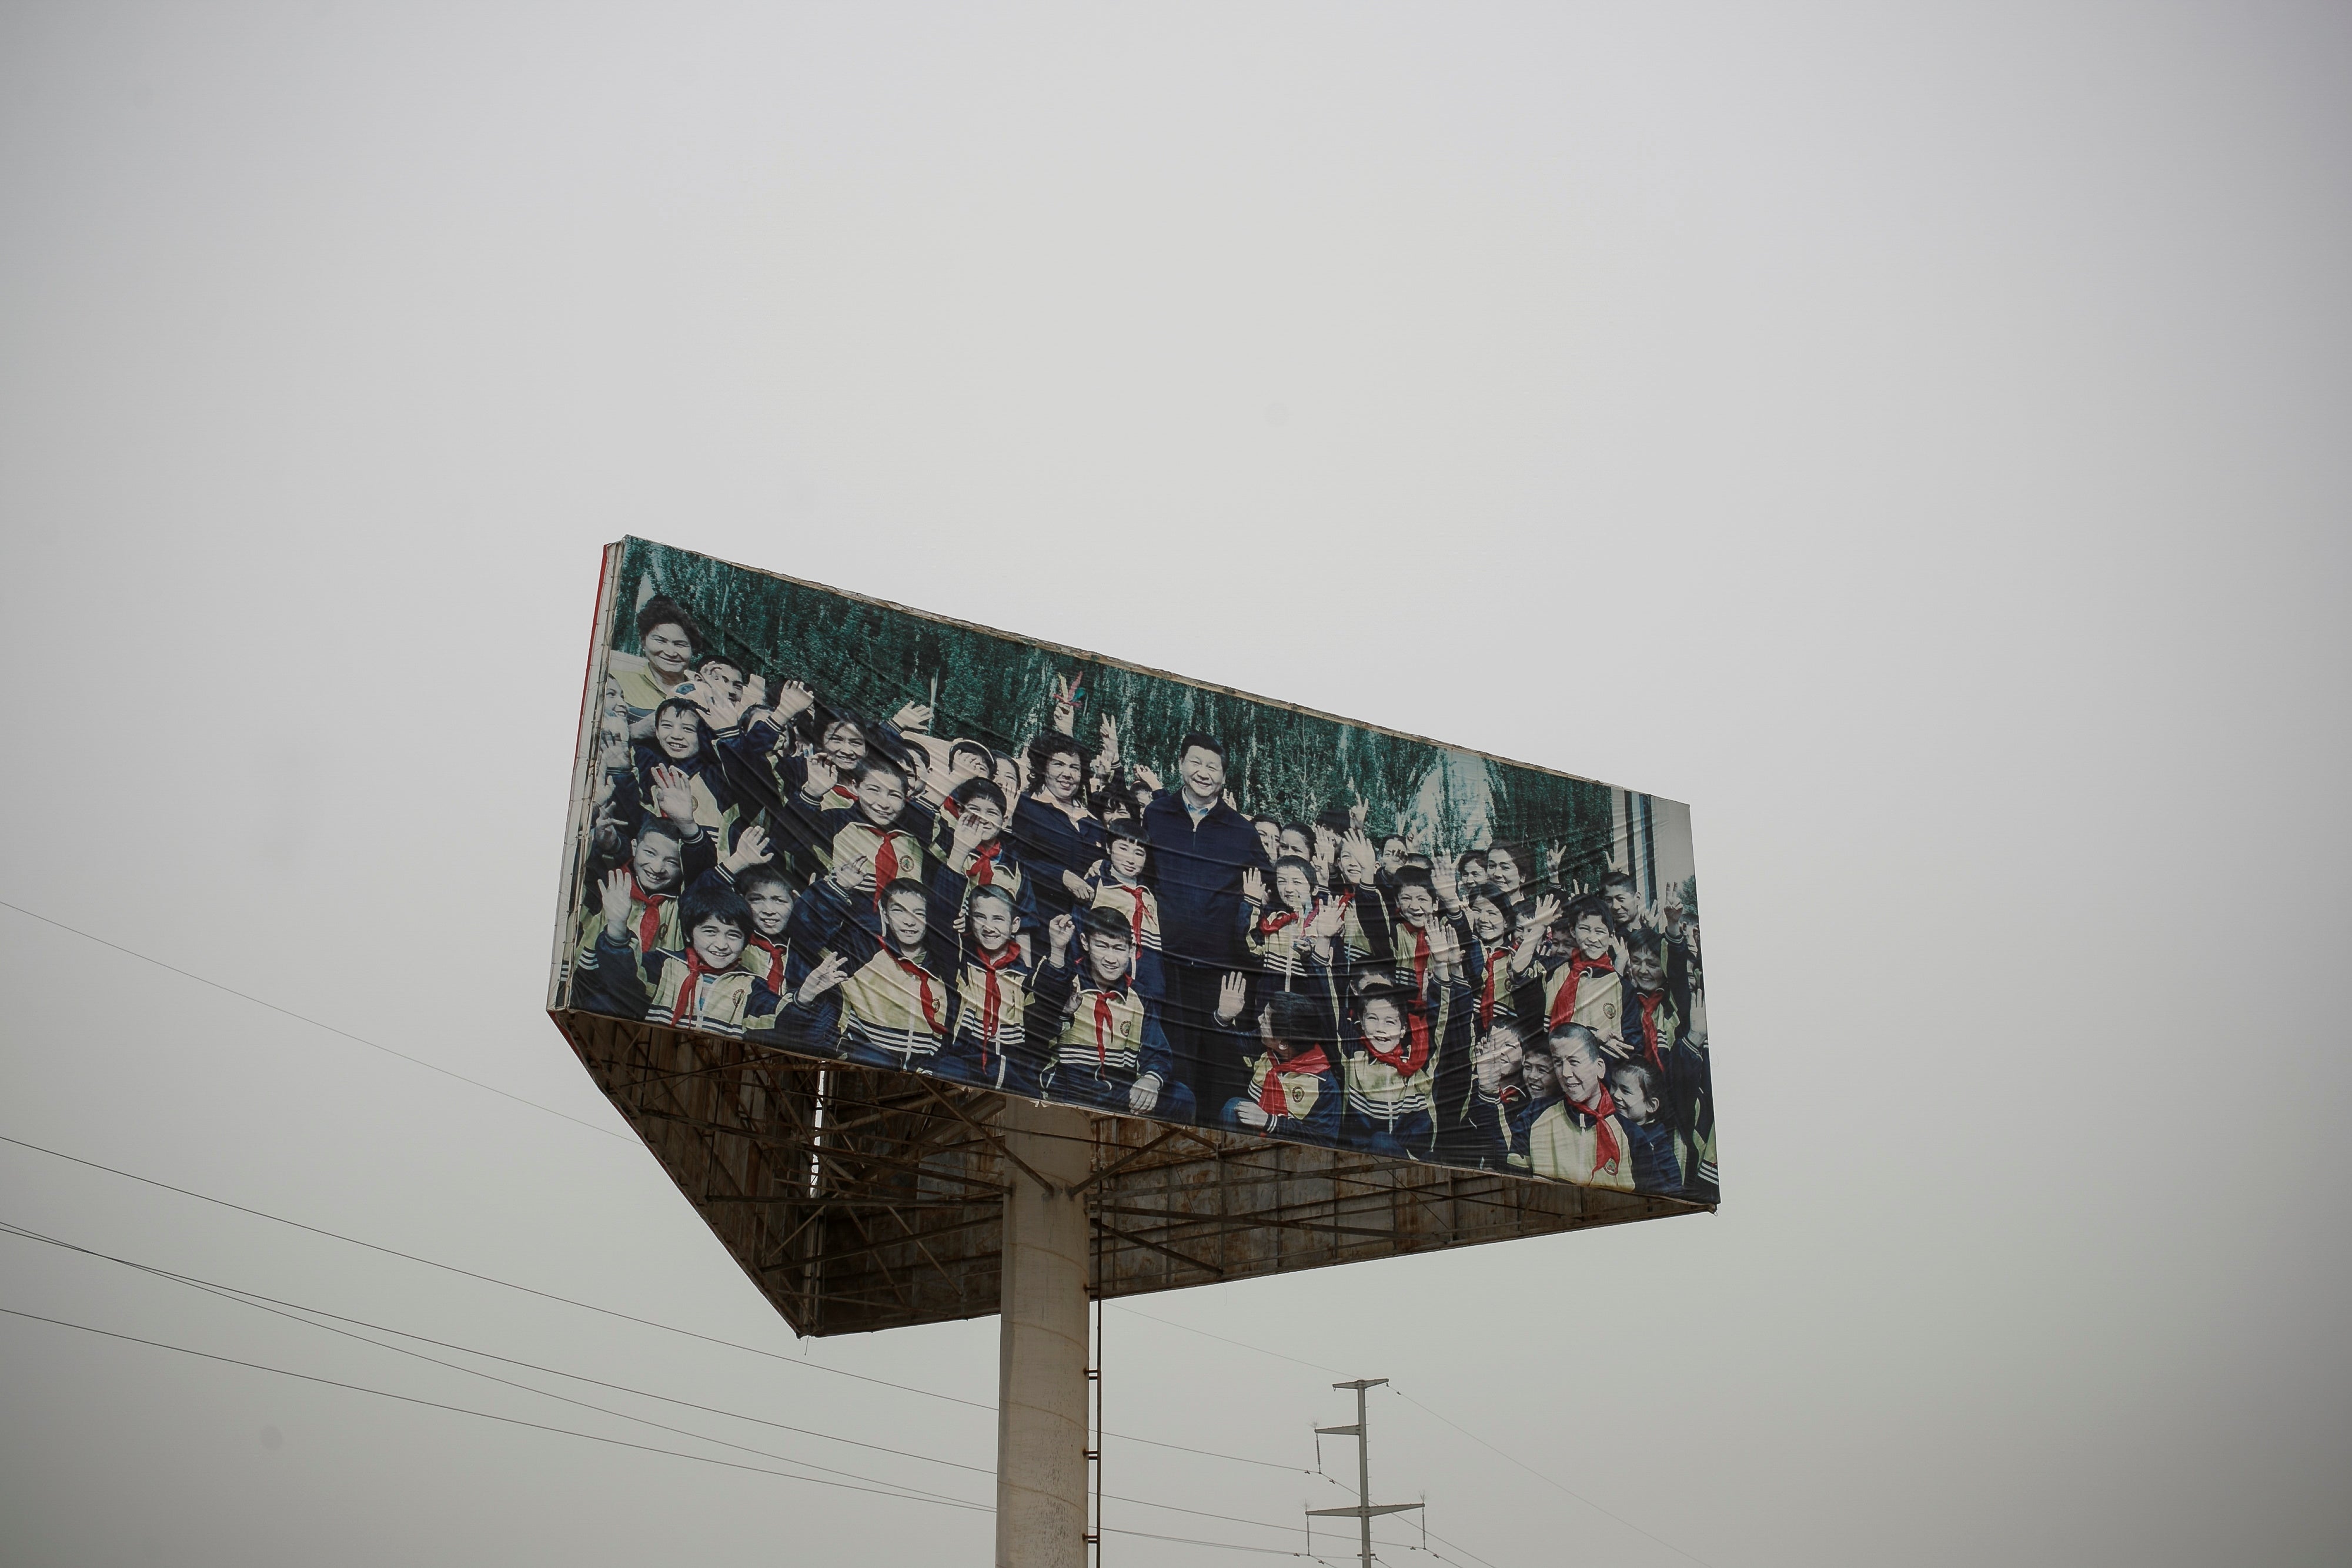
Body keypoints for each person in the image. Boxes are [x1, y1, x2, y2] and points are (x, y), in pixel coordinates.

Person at [1140, 732, 1272, 1115]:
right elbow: (1145, 876)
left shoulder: (1241, 830)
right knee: (1175, 1065)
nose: (1203, 772)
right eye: (1195, 762)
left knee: (1219, 1068)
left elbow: (1268, 886)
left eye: (1213, 766)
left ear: (1224, 777)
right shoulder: (1157, 814)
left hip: (1222, 970)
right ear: (1180, 764)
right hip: (1169, 963)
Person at [1040, 907, 1208, 1122]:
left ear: (1131, 949)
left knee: (1182, 1097)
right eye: (1102, 946)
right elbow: (1036, 1030)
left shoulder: (1139, 994)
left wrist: (1150, 1080)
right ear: (1085, 942)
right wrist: (1063, 1013)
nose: (1111, 958)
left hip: (1118, 1092)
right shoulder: (1063, 978)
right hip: (1070, 1087)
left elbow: (1156, 1050)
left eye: (1119, 949)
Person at [573, 874, 787, 1038]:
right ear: (688, 933)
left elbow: (783, 1020)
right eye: (710, 931)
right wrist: (618, 927)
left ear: (746, 941)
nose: (721, 945)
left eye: (733, 935)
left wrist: (804, 999)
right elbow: (623, 979)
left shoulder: (752, 987)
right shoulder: (664, 965)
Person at [784, 875, 955, 1072]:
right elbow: (805, 936)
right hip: (866, 1060)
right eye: (899, 911)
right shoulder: (862, 950)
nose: (909, 921)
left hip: (924, 1070)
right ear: (885, 914)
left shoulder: (944, 966)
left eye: (919, 913)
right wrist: (831, 891)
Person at [935, 888, 1073, 1096]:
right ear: (970, 920)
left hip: (1014, 1079)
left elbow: (1045, 1008)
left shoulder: (1023, 977)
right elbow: (939, 915)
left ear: (1015, 925)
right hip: (964, 1072)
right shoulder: (960, 964)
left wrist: (1058, 950)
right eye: (980, 918)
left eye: (998, 919)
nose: (989, 927)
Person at [1010, 730, 1104, 928]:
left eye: (1074, 767)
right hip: (1041, 920)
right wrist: (1061, 875)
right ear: (1044, 767)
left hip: (1084, 924)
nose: (1067, 774)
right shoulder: (1029, 806)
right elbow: (1018, 859)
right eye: (1058, 764)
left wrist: (1102, 864)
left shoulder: (1092, 820)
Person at [1223, 989, 1340, 1143]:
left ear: (1283, 1043)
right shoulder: (1264, 1043)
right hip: (1252, 1133)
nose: (1259, 1020)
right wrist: (1223, 1018)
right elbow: (1229, 1045)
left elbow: (1322, 1140)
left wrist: (1271, 1123)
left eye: (1265, 1020)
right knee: (1232, 1107)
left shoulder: (1325, 1086)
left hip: (1293, 1154)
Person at [1527, 1025, 1635, 1190]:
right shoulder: (1539, 1120)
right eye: (1558, 1063)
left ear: (1599, 1068)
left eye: (1575, 1062)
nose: (1566, 1073)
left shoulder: (1629, 1134)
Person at [1075, 814, 1165, 999]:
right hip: (1104, 981)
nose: (1131, 859)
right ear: (1108, 848)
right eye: (1123, 849)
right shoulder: (1095, 886)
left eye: (1139, 853)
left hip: (1149, 984)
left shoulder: (1151, 894)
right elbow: (1078, 934)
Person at [619, 597, 703, 737]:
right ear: (643, 642)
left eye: (680, 644)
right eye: (661, 641)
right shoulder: (616, 682)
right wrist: (635, 732)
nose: (671, 653)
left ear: (692, 649)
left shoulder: (704, 693)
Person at [1243, 855, 1327, 988]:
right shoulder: (1273, 919)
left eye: (1297, 882)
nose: (1288, 889)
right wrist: (1251, 904)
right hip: (1270, 1004)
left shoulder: (1324, 922)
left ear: (1314, 889)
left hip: (1304, 1004)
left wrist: (1309, 954)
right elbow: (1251, 952)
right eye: (1282, 881)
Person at [1609, 1059, 1685, 1195]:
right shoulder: (1610, 1123)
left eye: (1625, 1091)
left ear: (1651, 1105)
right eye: (1614, 1086)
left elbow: (1673, 1190)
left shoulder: (1659, 1146)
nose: (1616, 1095)